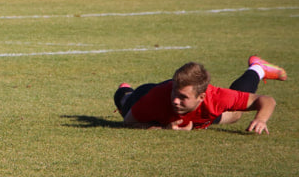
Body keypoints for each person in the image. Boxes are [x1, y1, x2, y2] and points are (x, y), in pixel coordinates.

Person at [113, 56, 287, 133]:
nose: (175, 100)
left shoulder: (217, 97)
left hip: (199, 116)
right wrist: (162, 128)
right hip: (145, 96)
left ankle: (257, 68)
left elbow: (266, 100)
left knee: (235, 115)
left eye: (183, 97)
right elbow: (129, 123)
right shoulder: (157, 97)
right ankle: (127, 89)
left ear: (201, 97)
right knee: (122, 96)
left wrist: (261, 119)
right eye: (175, 92)